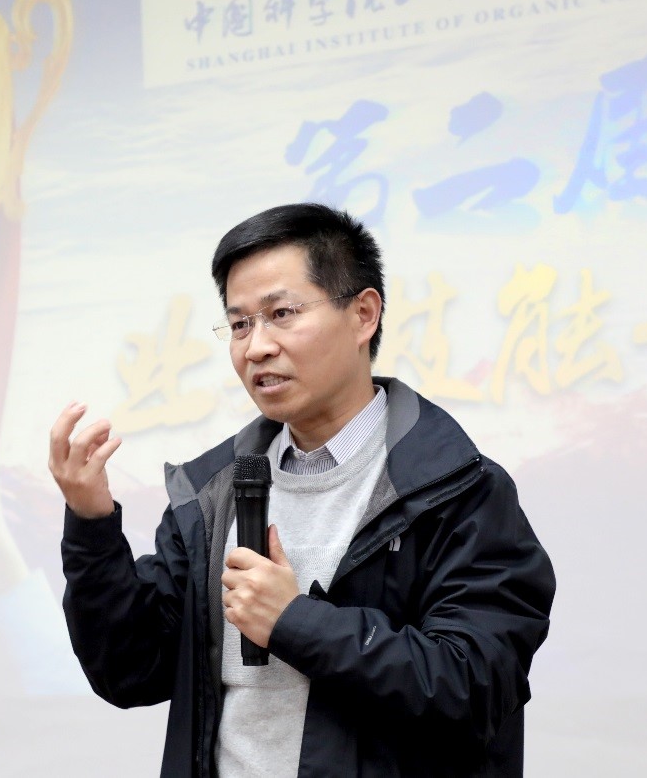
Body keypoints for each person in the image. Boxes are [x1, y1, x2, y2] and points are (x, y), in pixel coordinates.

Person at [51, 203, 556, 777]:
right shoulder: (212, 495)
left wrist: (294, 621)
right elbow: (129, 671)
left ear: (363, 315)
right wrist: (91, 522)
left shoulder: (458, 490)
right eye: (240, 324)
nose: (256, 347)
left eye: (281, 314)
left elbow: (474, 686)